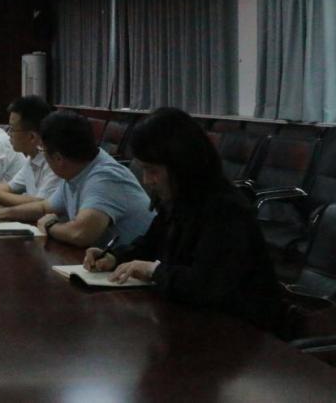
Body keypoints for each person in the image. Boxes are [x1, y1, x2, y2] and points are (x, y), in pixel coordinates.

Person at [83, 108, 284, 331]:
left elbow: (204, 286)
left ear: (181, 164)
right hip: (192, 320)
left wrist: (153, 271)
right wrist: (113, 257)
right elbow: (149, 246)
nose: (147, 180)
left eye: (152, 170)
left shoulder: (226, 211)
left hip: (241, 331)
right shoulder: (179, 199)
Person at [0, 111, 154, 247]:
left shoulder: (105, 177)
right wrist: (0, 213)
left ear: (58, 158)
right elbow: (44, 207)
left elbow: (80, 234)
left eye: (43, 151)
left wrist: (50, 226)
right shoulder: (77, 170)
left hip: (139, 269)